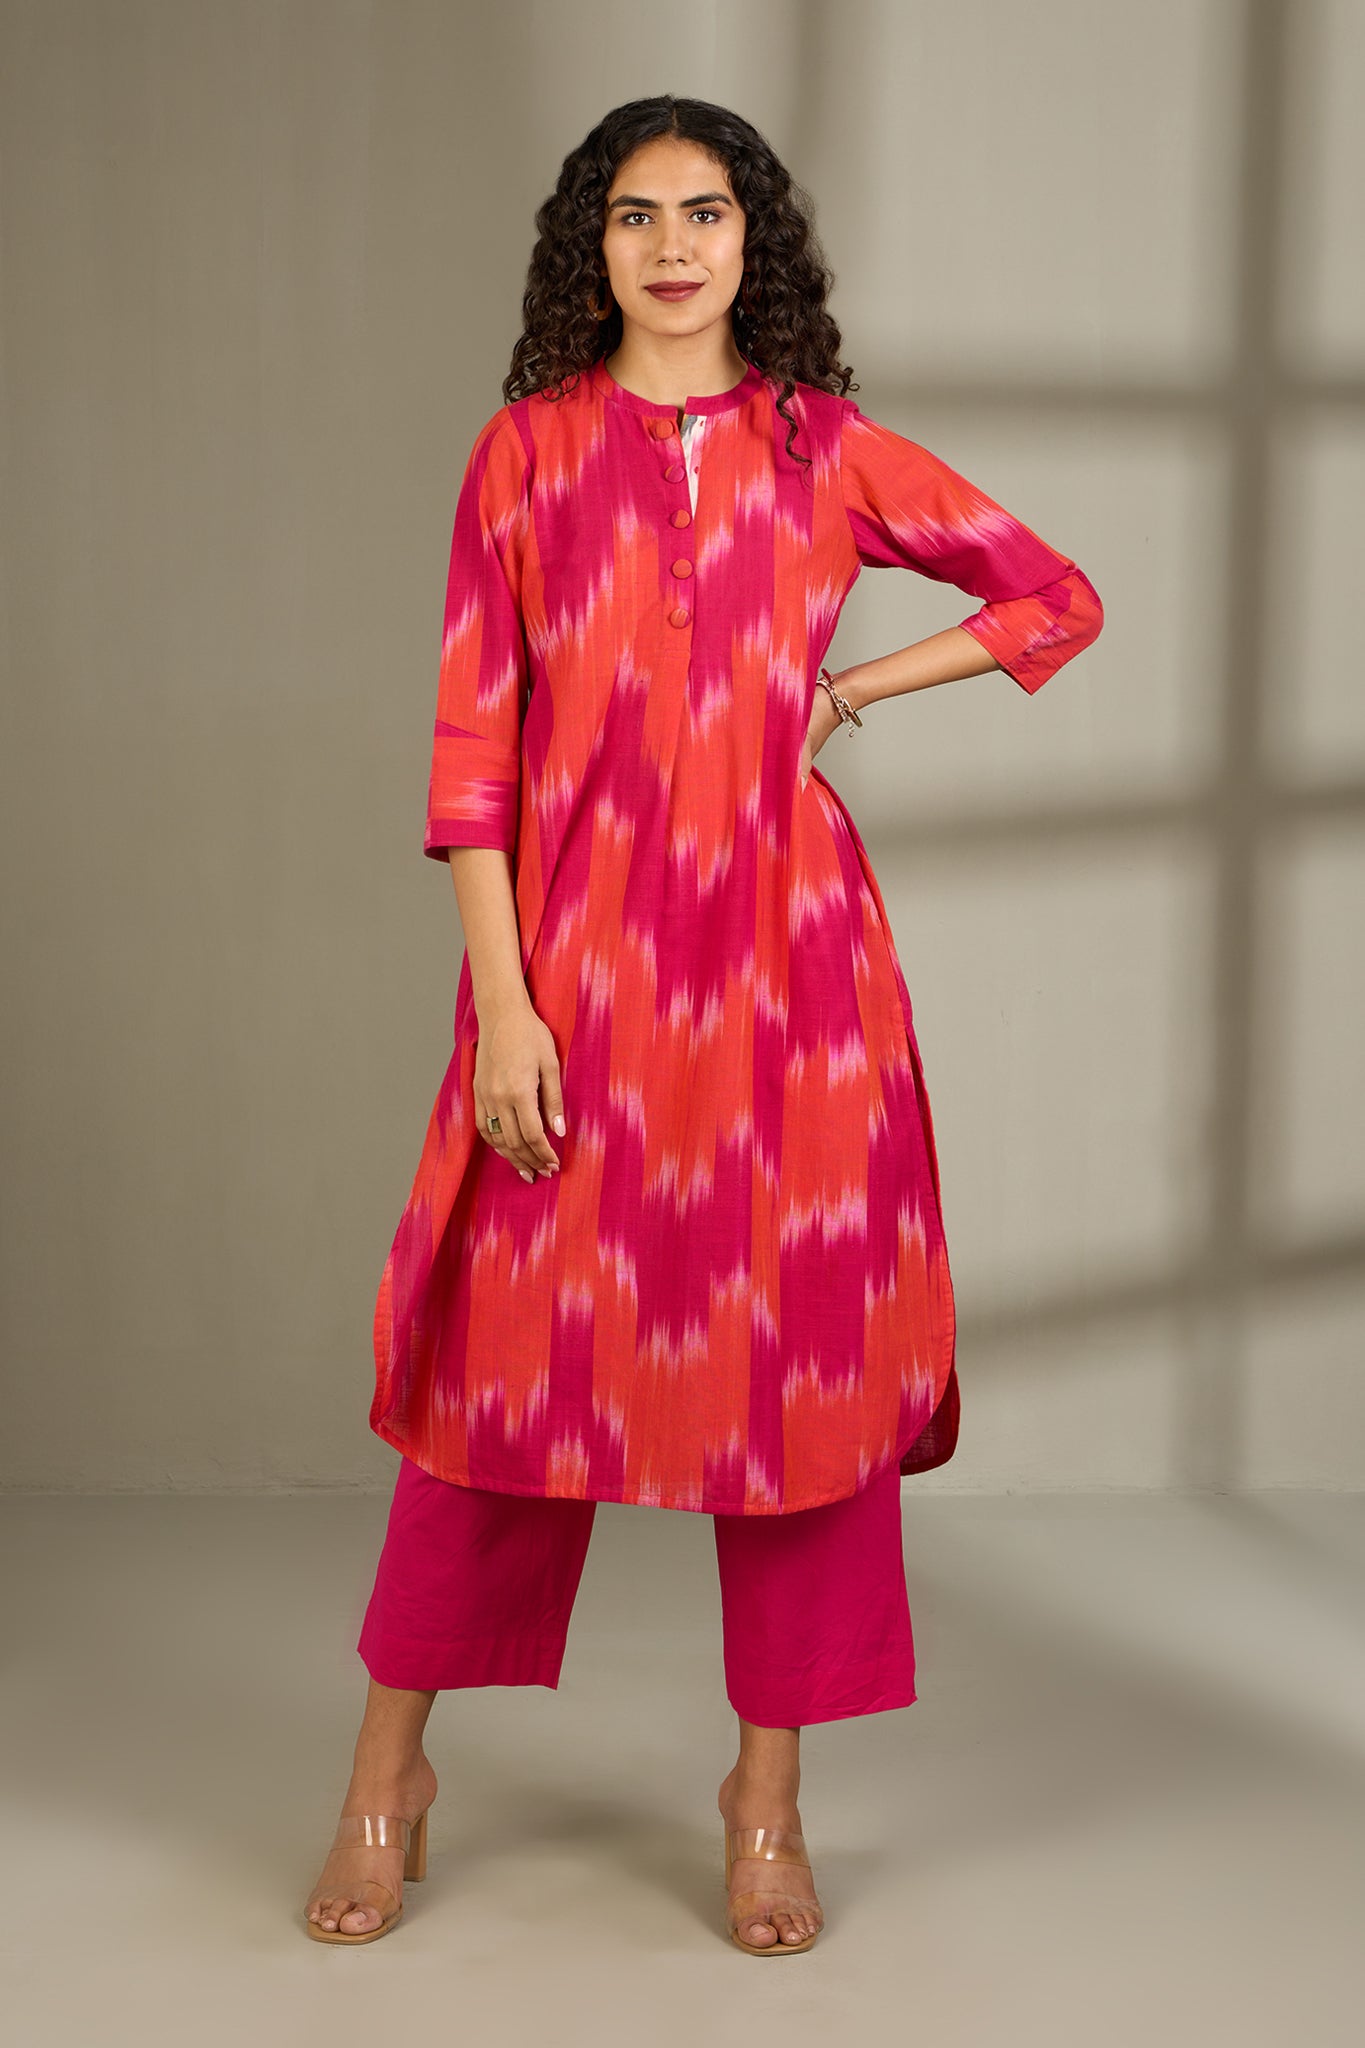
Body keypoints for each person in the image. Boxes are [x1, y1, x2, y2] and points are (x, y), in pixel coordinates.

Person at [303, 94, 1103, 1952]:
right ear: (590, 246)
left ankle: (766, 1800)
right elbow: (473, 750)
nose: (673, 246)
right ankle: (383, 1777)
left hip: (786, 984)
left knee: (793, 1383)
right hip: (572, 972)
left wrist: (852, 690)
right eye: (636, 214)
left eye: (708, 212)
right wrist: (506, 1008)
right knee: (499, 1370)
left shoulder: (822, 448)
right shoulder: (523, 453)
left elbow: (1051, 597)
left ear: (757, 244)